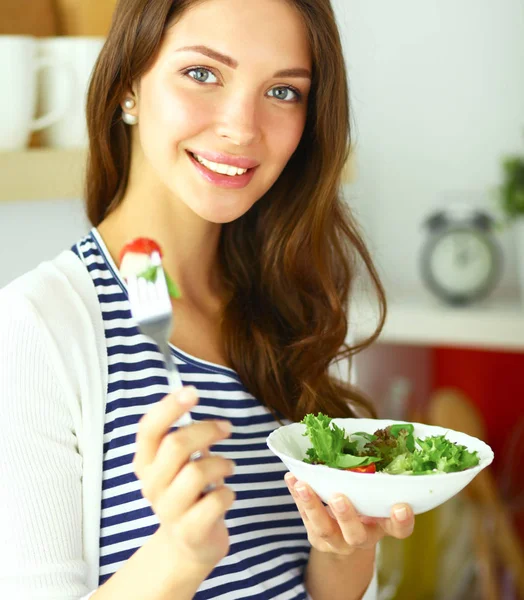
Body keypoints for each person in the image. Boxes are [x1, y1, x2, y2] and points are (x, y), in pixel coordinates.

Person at [0, 0, 416, 598]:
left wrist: (345, 551)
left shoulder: (292, 309)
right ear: (128, 88)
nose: (242, 126)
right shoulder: (34, 329)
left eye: (283, 92)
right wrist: (178, 556)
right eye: (203, 73)